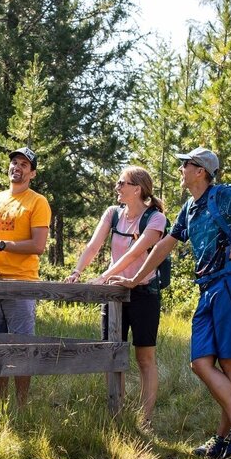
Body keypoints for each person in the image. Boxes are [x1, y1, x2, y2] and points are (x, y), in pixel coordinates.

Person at [111, 147, 231, 459]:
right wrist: (135, 280)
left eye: (185, 165)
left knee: (229, 363)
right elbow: (163, 247)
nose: (181, 170)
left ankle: (225, 439)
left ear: (200, 170)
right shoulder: (189, 208)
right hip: (208, 287)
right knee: (200, 362)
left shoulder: (225, 196)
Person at [68, 166, 166, 424]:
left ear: (137, 189)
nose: (117, 187)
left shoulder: (155, 219)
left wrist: (103, 276)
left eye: (122, 183)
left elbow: (134, 254)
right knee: (111, 353)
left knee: (144, 356)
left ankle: (144, 418)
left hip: (144, 292)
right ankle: (117, 413)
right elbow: (93, 245)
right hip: (114, 294)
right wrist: (78, 271)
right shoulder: (112, 214)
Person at [0, 147, 51, 406]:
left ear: (33, 173)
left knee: (21, 347)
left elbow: (38, 245)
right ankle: (1, 405)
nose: (17, 167)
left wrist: (0, 245)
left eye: (24, 164)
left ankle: (22, 405)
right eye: (14, 162)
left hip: (22, 284)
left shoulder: (37, 202)